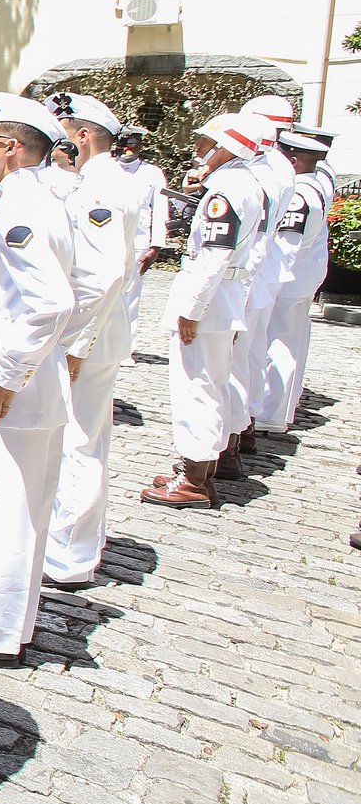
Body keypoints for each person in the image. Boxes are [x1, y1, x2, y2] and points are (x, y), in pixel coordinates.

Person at [0, 95, 79, 670]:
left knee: (0, 510)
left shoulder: (20, 207)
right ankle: (12, 622)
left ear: (10, 148)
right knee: (26, 508)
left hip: (19, 388)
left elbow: (50, 302)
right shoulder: (44, 198)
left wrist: (5, 376)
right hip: (41, 381)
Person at [142, 114, 268, 508]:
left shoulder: (226, 190)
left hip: (210, 297)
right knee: (210, 383)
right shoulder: (240, 183)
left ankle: (194, 479)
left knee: (196, 387)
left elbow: (214, 255)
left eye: (205, 141)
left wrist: (191, 309)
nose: (197, 147)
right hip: (224, 293)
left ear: (227, 148)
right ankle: (200, 470)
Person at [40, 93, 139, 590]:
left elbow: (100, 277)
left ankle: (70, 556)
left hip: (91, 333)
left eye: (64, 132)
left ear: (82, 136)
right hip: (98, 330)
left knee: (78, 442)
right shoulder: (104, 180)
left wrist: (76, 345)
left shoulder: (100, 186)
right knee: (89, 438)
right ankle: (82, 541)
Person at [230, 95, 299, 467]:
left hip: (247, 273)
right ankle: (244, 430)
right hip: (263, 272)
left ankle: (228, 445)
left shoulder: (258, 167)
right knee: (251, 355)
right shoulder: (281, 164)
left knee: (233, 363)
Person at [260, 125, 335, 435]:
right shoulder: (321, 181)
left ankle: (270, 413)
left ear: (294, 159)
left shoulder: (301, 193)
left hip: (289, 280)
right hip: (302, 276)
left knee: (277, 345)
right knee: (290, 343)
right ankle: (281, 409)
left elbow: (287, 244)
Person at [114, 125, 170, 356]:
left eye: (133, 145)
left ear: (141, 147)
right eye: (123, 145)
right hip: (108, 239)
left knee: (130, 297)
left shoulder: (152, 173)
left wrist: (156, 245)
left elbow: (160, 210)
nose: (127, 149)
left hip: (138, 241)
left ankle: (126, 349)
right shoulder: (106, 170)